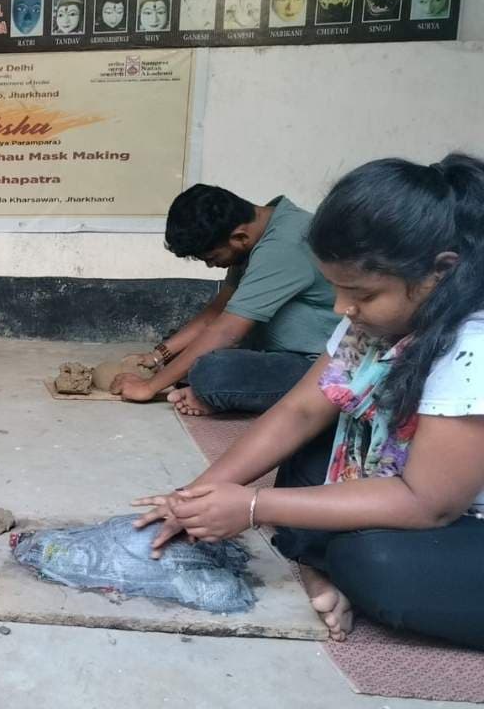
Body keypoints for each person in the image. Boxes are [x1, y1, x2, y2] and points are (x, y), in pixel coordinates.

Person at [132, 155, 484, 649]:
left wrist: (252, 506)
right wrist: (196, 497)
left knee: (376, 565)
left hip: (450, 513)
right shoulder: (372, 321)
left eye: (360, 293)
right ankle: (324, 560)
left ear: (439, 273)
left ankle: (335, 569)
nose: (341, 308)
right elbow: (298, 411)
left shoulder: (472, 348)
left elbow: (428, 505)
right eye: (337, 288)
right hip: (402, 483)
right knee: (304, 461)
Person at [114, 185, 340, 415]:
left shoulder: (284, 246)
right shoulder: (259, 230)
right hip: (274, 348)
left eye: (212, 258)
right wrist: (158, 355)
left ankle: (216, 396)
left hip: (320, 365)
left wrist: (148, 387)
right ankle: (218, 392)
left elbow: (226, 331)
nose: (210, 265)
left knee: (212, 374)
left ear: (239, 237)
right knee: (181, 355)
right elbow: (217, 311)